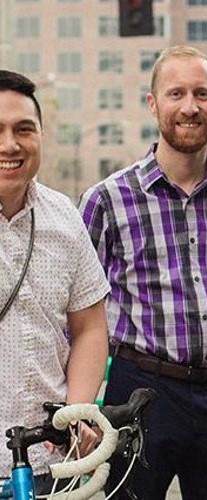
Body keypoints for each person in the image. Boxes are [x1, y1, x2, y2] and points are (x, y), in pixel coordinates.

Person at [78, 46, 207, 500]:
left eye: (202, 94)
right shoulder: (106, 201)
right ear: (154, 104)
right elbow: (79, 316)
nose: (190, 106)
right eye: (176, 93)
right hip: (137, 395)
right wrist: (88, 404)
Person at [0, 70, 109, 492]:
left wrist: (77, 410)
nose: (10, 144)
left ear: (41, 136)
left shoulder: (65, 216)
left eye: (23, 129)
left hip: (49, 463)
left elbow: (90, 327)